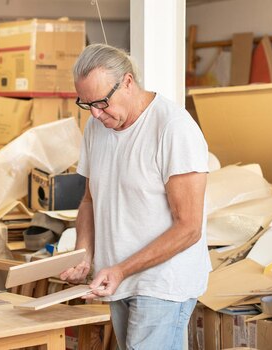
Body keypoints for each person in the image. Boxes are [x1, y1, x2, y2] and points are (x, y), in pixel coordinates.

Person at [59, 43, 211, 350]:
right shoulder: (96, 126)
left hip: (162, 282)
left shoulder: (173, 128)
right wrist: (84, 254)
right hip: (118, 278)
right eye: (86, 104)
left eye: (102, 102)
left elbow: (189, 227)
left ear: (128, 82)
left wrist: (121, 269)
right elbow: (90, 200)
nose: (96, 113)